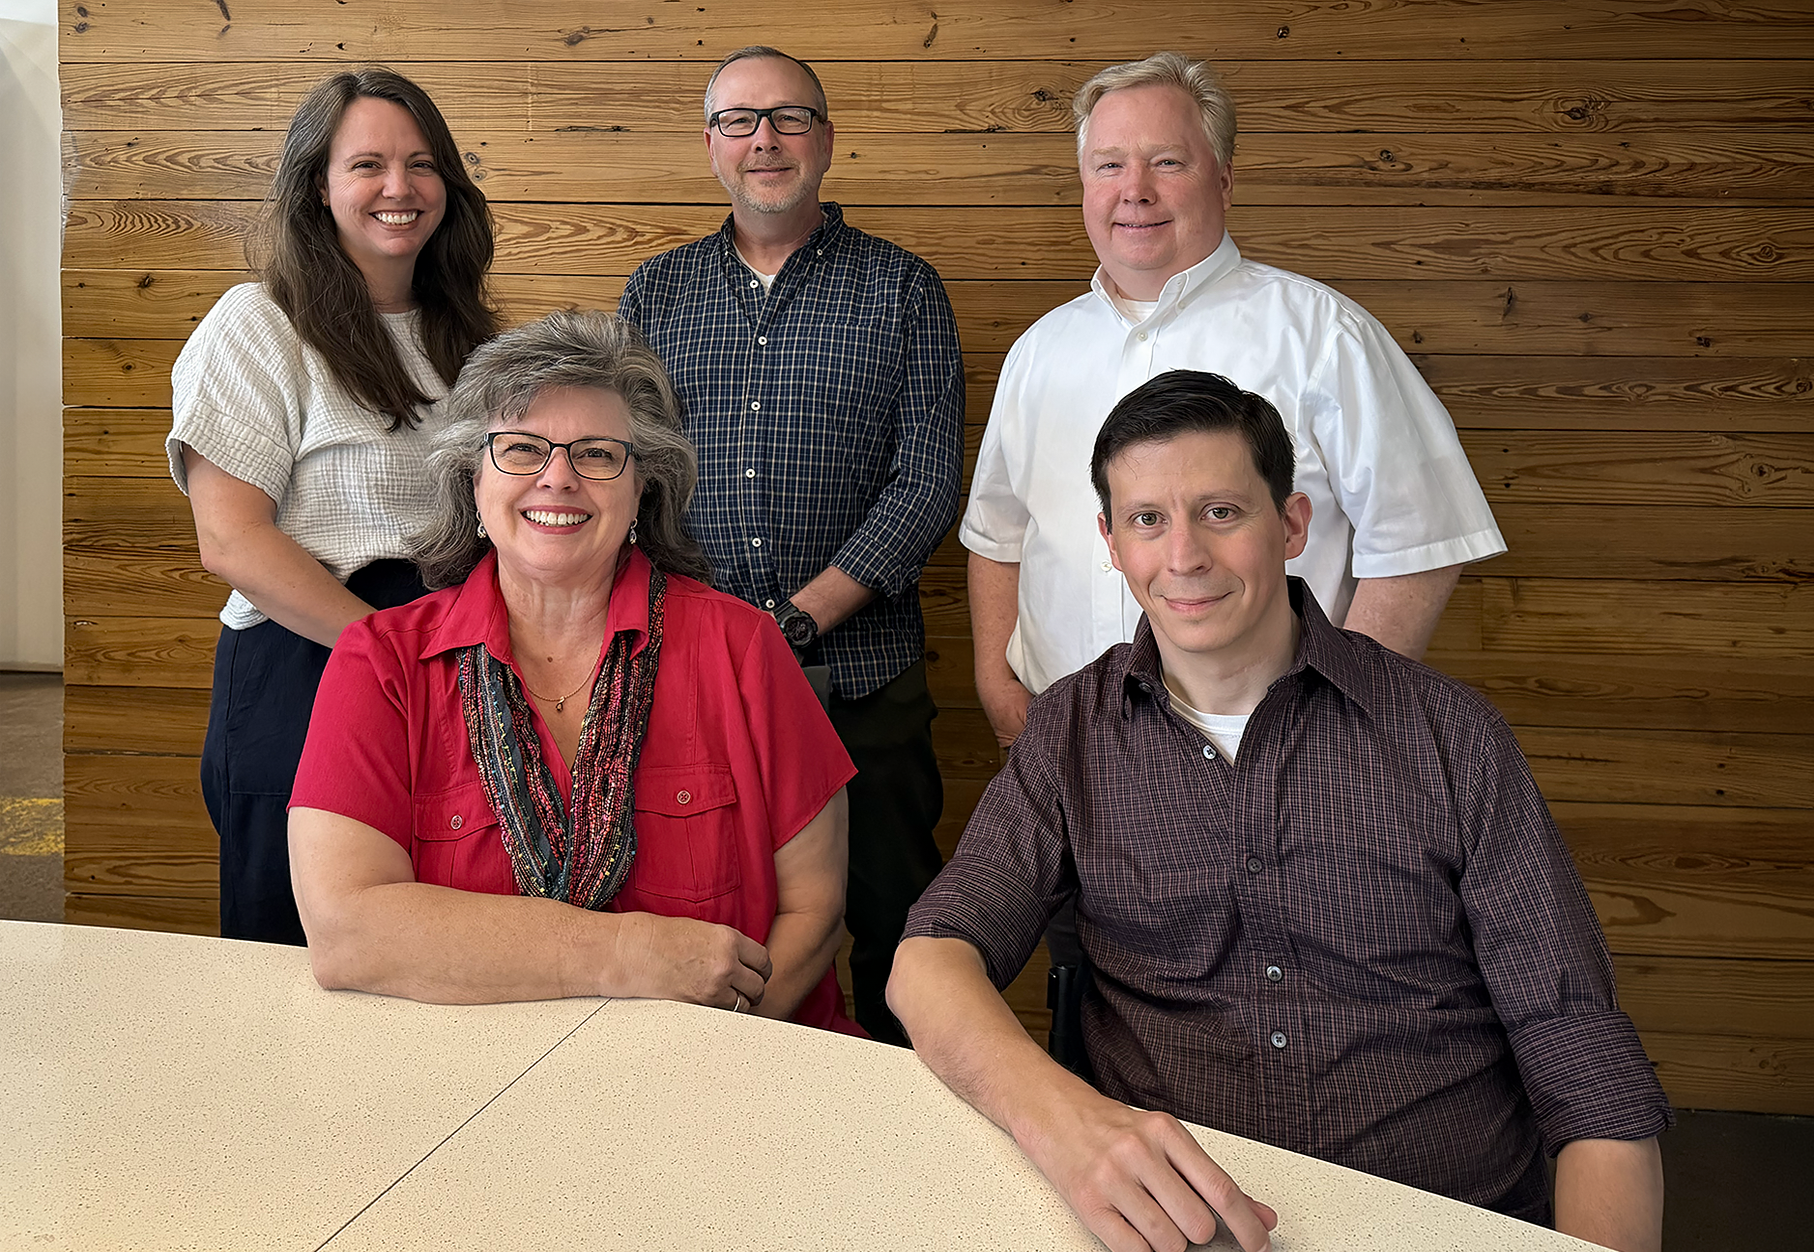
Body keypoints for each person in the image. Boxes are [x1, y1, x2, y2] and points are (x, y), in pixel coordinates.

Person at [890, 371, 1669, 1252]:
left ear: (1291, 524)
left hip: (1448, 1235)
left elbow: (1581, 1053)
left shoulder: (1450, 735)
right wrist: (1066, 1123)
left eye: (1220, 512)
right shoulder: (1070, 730)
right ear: (1111, 542)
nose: (1184, 556)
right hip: (1181, 1241)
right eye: (1147, 520)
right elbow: (930, 961)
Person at [287, 310, 860, 1034]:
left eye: (595, 454)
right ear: (472, 480)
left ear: (642, 487)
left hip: (727, 1066)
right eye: (522, 449)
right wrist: (628, 953)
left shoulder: (744, 646)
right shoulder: (381, 661)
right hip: (461, 1072)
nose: (557, 478)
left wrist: (701, 1062)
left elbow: (814, 910)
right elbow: (347, 932)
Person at [963, 51, 1508, 756]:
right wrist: (997, 688)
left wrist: (1333, 720)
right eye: (1109, 165)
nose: (1135, 191)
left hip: (1270, 751)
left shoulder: (1324, 335)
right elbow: (998, 536)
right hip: (1065, 748)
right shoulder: (1038, 350)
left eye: (1167, 162)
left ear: (1223, 178)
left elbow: (1421, 545)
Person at [616, 46, 965, 1045]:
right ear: (711, 145)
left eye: (788, 117)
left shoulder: (904, 289)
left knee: (897, 925)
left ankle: (901, 1113)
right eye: (739, 120)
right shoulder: (655, 292)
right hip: (693, 675)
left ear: (825, 138)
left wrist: (798, 620)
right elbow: (625, 473)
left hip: (864, 679)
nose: (763, 140)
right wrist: (714, 635)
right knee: (724, 916)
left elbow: (926, 482)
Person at [166, 67, 500, 945]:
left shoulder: (475, 342)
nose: (399, 187)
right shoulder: (259, 323)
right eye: (367, 165)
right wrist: (389, 657)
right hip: (310, 665)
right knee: (296, 954)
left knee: (431, 941)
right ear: (318, 185)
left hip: (449, 663)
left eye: (421, 164)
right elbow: (232, 541)